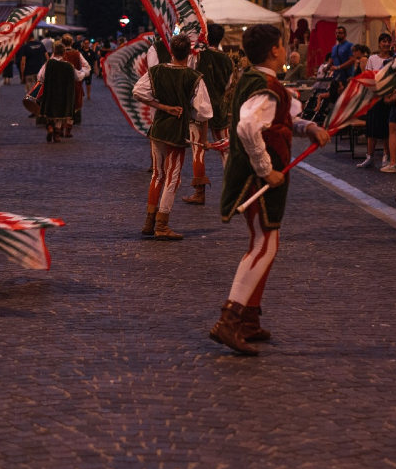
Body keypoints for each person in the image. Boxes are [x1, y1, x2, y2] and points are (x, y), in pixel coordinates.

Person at [209, 25, 328, 355]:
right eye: (283, 44)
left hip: (261, 176)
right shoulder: (264, 85)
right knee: (265, 244)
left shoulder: (260, 81)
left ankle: (248, 319)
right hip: (258, 178)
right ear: (275, 50)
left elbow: (280, 121)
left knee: (264, 241)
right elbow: (249, 127)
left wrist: (310, 127)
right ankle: (230, 319)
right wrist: (265, 169)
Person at [132, 34, 213, 240]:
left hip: (158, 128)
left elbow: (138, 92)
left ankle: (149, 221)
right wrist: (203, 140)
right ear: (189, 53)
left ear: (171, 52)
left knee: (157, 175)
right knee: (172, 178)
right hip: (176, 132)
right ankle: (162, 224)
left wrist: (163, 107)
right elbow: (203, 113)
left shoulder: (156, 71)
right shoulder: (193, 77)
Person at [184, 23, 235, 206]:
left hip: (198, 108)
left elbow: (190, 78)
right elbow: (228, 85)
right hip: (219, 107)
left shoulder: (197, 57)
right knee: (225, 150)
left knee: (198, 150)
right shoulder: (227, 59)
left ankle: (200, 193)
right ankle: (234, 191)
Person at [37, 42, 88, 142]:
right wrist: (85, 72)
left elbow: (40, 77)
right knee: (60, 115)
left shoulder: (49, 63)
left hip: (51, 92)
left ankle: (50, 127)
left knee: (50, 112)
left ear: (54, 52)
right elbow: (78, 77)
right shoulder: (69, 66)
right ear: (64, 53)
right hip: (63, 93)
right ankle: (56, 135)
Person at [359, 33, 394, 169]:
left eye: (388, 41)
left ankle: (386, 155)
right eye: (383, 41)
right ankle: (369, 156)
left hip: (388, 97)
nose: (386, 44)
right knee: (372, 128)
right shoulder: (372, 59)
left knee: (386, 129)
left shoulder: (393, 59)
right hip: (375, 97)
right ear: (379, 44)